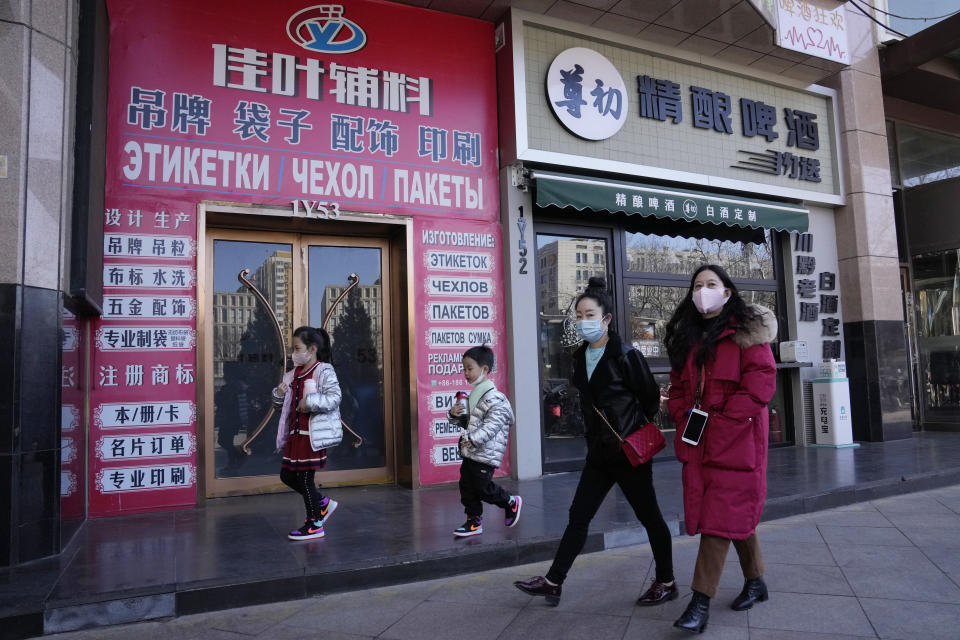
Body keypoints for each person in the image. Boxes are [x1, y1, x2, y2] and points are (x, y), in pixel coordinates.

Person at [515, 276, 675, 607]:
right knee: (579, 516)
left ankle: (666, 580)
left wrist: (631, 428)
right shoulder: (579, 358)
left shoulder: (626, 356)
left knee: (650, 518)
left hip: (629, 452)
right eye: (579, 315)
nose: (583, 321)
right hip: (598, 455)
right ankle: (553, 581)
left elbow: (647, 399)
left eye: (590, 315)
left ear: (606, 319)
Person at [664, 265, 777, 634]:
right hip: (699, 440)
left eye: (711, 285)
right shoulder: (690, 338)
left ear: (727, 292)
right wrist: (683, 417)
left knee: (718, 519)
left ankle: (700, 601)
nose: (703, 291)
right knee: (733, 515)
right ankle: (756, 582)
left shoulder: (746, 333)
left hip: (739, 443)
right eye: (697, 285)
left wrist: (725, 424)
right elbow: (679, 387)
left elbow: (760, 385)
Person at [273, 326, 342, 541]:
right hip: (295, 434)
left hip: (311, 436)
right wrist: (278, 394)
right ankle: (321, 503)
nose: (294, 353)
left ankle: (315, 524)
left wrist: (310, 402)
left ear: (312, 349)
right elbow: (280, 407)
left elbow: (335, 398)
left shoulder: (324, 370)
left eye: (297, 348)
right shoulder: (293, 374)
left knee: (304, 479)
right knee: (287, 475)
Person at [447, 345, 521, 537]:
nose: (466, 373)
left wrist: (473, 439)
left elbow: (492, 426)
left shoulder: (496, 399)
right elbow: (467, 423)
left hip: (485, 453)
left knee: (482, 488)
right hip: (471, 451)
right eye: (464, 369)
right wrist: (453, 414)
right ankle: (474, 522)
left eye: (470, 368)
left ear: (485, 369)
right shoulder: (475, 395)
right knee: (467, 488)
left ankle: (510, 502)